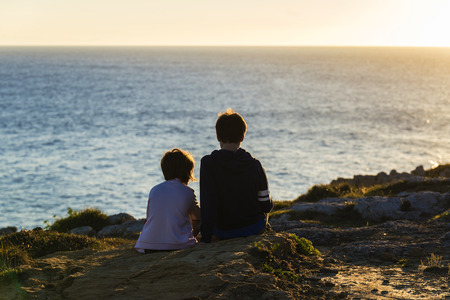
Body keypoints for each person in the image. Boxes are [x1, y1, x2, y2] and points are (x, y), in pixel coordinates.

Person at [200, 108, 273, 243]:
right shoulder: (255, 164)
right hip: (254, 228)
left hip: (223, 231)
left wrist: (205, 238)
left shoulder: (208, 163)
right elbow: (265, 205)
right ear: (242, 137)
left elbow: (208, 203)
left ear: (218, 137)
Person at [135, 148, 201, 252]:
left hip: (146, 245)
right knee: (200, 220)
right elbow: (198, 217)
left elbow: (148, 219)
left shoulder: (154, 190)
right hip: (178, 245)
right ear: (187, 172)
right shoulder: (188, 192)